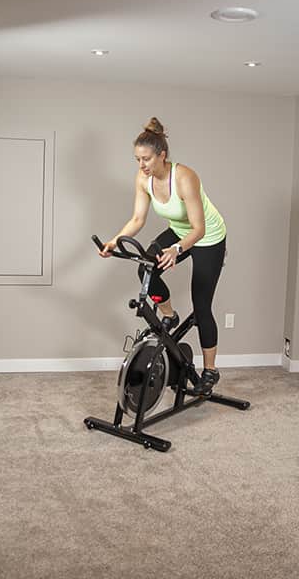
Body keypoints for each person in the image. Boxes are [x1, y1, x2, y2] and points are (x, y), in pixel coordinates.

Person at [99, 117, 227, 394]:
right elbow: (137, 218)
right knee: (146, 268)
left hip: (208, 238)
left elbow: (199, 228)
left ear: (162, 155)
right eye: (137, 160)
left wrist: (177, 249)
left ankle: (210, 371)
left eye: (146, 159)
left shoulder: (184, 177)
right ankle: (169, 315)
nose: (141, 165)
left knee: (202, 306)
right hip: (180, 230)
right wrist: (114, 240)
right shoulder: (143, 179)